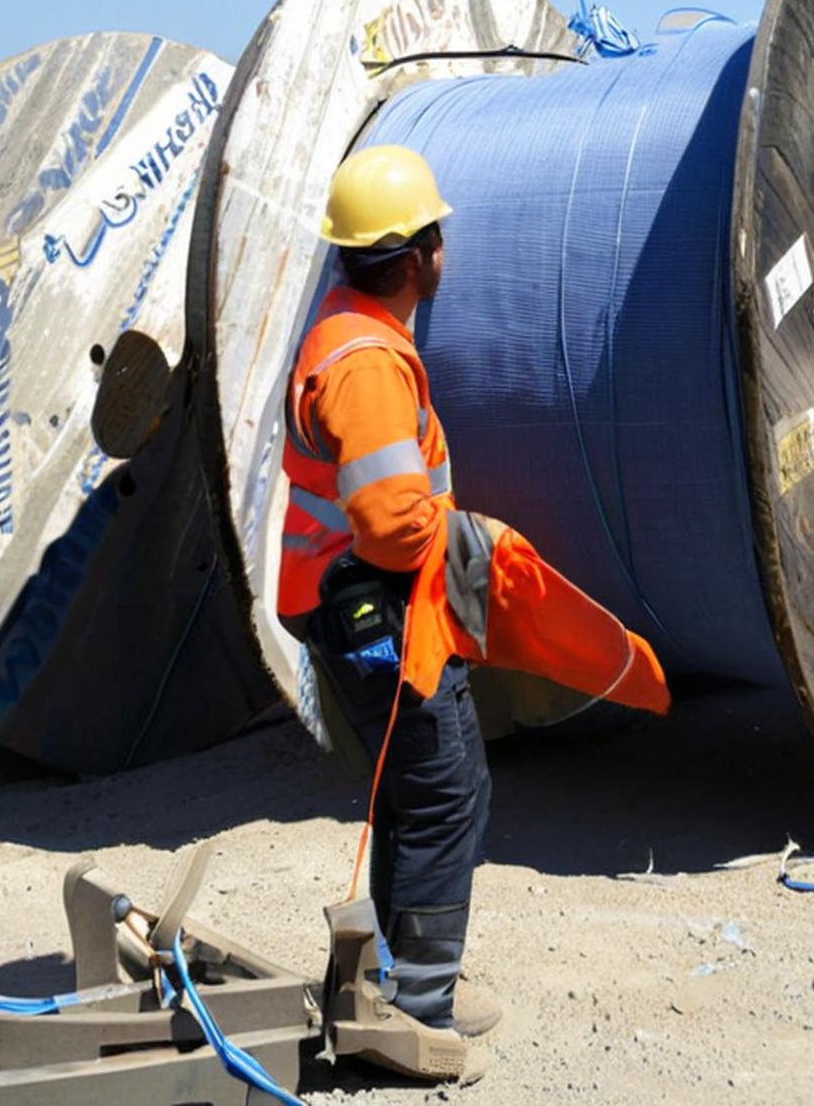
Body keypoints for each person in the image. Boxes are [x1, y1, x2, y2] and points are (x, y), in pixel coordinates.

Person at [279, 144, 671, 1072]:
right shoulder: (369, 360)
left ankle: (404, 980)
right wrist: (450, 542)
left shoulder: (347, 323)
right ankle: (412, 1013)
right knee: (444, 789)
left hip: (350, 598)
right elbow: (387, 519)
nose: (447, 251)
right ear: (417, 255)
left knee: (417, 791)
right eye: (440, 236)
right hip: (372, 605)